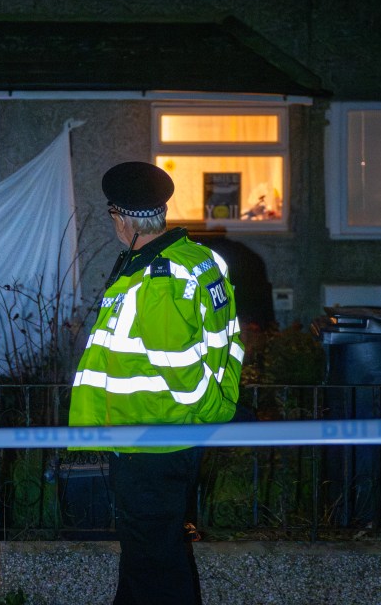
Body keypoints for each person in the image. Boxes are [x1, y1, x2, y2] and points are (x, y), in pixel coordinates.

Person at [69, 161, 245, 605]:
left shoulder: (155, 279)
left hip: (151, 438)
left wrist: (208, 412)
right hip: (169, 435)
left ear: (122, 218)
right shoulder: (199, 258)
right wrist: (214, 413)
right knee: (146, 557)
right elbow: (230, 343)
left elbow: (179, 366)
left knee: (156, 566)